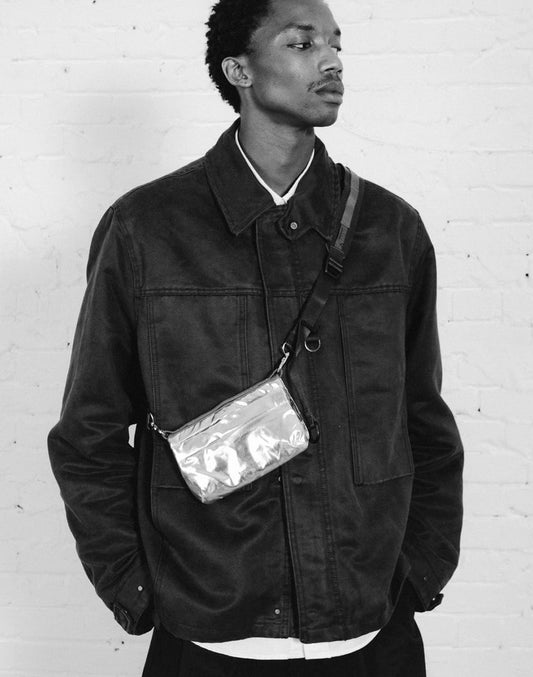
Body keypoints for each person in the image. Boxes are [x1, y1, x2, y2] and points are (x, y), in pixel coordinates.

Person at [48, 0, 464, 675]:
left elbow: (424, 419)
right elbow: (89, 431)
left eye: (335, 44)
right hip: (207, 636)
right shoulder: (146, 230)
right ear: (238, 70)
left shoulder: (389, 230)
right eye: (302, 43)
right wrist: (135, 585)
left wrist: (419, 569)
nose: (330, 61)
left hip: (371, 633)